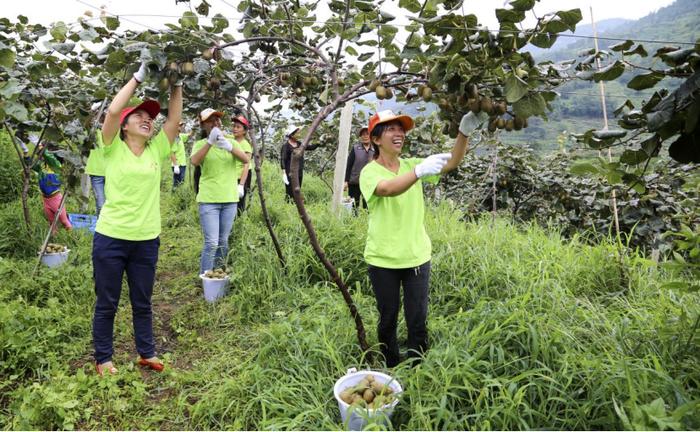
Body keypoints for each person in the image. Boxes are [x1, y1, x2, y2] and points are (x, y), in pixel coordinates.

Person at [359, 109, 484, 368]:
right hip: (383, 259)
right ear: (376, 139)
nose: (399, 134)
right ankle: (391, 365)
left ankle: (418, 367)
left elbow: (452, 163)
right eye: (391, 129)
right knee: (388, 317)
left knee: (417, 317)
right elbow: (387, 189)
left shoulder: (409, 165)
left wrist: (464, 132)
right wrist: (418, 172)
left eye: (400, 129)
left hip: (417, 256)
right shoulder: (370, 172)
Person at [91, 61, 182, 376]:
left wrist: (177, 83)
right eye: (139, 116)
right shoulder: (111, 148)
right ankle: (103, 359)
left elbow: (174, 119)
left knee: (142, 301)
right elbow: (112, 113)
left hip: (146, 239)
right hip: (112, 238)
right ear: (126, 125)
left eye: (150, 118)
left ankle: (147, 352)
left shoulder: (157, 149)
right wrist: (137, 77)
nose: (147, 120)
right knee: (107, 302)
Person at [190, 109, 250, 273]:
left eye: (217, 120)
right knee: (212, 243)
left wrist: (228, 146)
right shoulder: (200, 144)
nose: (215, 123)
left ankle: (219, 274)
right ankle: (206, 276)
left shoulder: (232, 142)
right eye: (210, 120)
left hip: (229, 199)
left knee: (223, 241)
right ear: (203, 125)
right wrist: (210, 143)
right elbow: (194, 161)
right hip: (209, 200)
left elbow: (245, 160)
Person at [34, 143, 72, 234]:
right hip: (46, 200)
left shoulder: (57, 166)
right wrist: (26, 153)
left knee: (64, 221)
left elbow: (49, 157)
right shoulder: (43, 167)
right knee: (51, 223)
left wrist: (40, 147)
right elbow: (32, 165)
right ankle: (53, 239)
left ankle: (73, 239)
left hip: (56, 199)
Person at [279, 125, 321, 202]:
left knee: (297, 190)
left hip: (299, 171)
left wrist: (319, 143)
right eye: (297, 133)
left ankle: (296, 205)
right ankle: (288, 205)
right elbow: (283, 159)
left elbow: (310, 147)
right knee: (289, 191)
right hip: (290, 172)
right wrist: (284, 173)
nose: (299, 134)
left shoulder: (299, 144)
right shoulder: (286, 146)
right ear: (291, 135)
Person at [344, 126, 374, 211]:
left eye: (367, 134)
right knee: (354, 206)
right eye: (363, 134)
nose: (365, 136)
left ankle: (366, 222)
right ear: (360, 137)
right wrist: (346, 181)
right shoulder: (355, 148)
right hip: (354, 181)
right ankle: (353, 221)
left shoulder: (375, 149)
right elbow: (349, 165)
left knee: (368, 206)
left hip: (369, 182)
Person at [229, 115, 253, 215]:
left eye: (238, 127)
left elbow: (246, 165)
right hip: (233, 175)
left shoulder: (245, 144)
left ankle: (239, 221)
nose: (235, 129)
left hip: (243, 175)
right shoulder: (232, 140)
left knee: (240, 200)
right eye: (234, 126)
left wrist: (241, 185)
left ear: (244, 131)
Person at [85, 127, 106, 217]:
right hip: (96, 172)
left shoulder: (115, 130)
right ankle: (100, 229)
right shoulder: (93, 129)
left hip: (113, 172)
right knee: (100, 205)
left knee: (113, 204)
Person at [170, 122, 189, 189]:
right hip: (177, 164)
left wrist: (194, 129)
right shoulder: (173, 138)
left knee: (181, 182)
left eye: (181, 125)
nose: (180, 127)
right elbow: (171, 153)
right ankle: (174, 197)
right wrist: (175, 166)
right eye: (179, 125)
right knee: (177, 182)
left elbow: (189, 135)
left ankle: (179, 197)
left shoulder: (180, 136)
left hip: (183, 163)